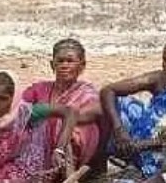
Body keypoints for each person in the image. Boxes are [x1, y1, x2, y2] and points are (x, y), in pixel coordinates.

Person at [102, 35, 166, 177]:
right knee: (116, 104)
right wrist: (119, 130)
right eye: (165, 61)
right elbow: (108, 91)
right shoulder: (159, 78)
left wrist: (143, 144)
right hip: (146, 135)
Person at [21, 39, 104, 171]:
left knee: (73, 129)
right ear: (52, 65)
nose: (64, 65)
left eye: (70, 61)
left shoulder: (88, 94)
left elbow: (84, 115)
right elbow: (17, 109)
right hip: (36, 152)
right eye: (60, 61)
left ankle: (66, 170)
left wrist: (59, 143)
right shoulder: (39, 89)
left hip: (71, 150)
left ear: (82, 65)